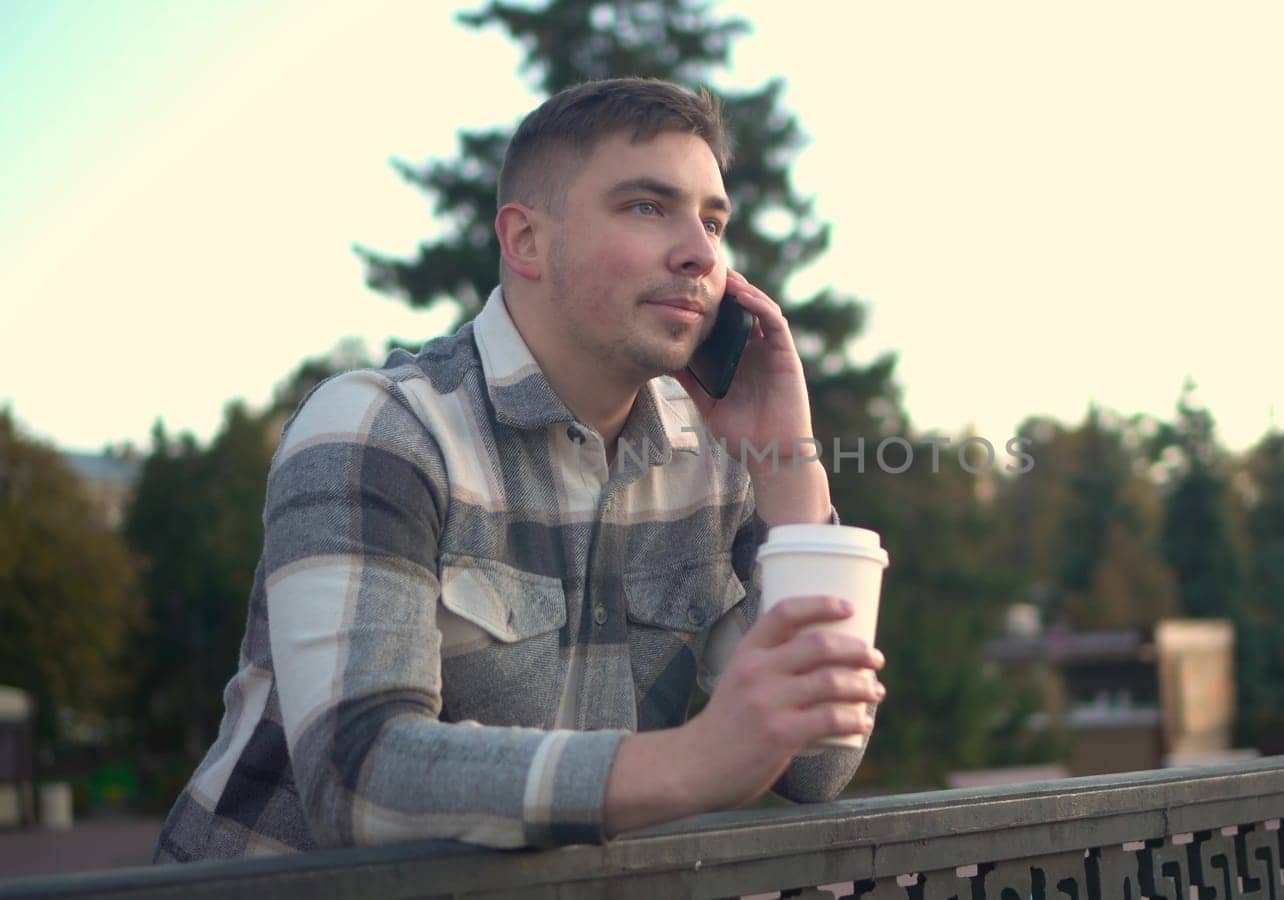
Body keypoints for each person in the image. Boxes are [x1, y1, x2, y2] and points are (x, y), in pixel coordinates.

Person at [154, 77, 886, 862]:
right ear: (526, 240)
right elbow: (356, 778)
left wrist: (788, 465)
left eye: (713, 220)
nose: (701, 253)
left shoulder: (717, 466)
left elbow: (818, 762)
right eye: (647, 206)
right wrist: (697, 761)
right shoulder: (383, 428)